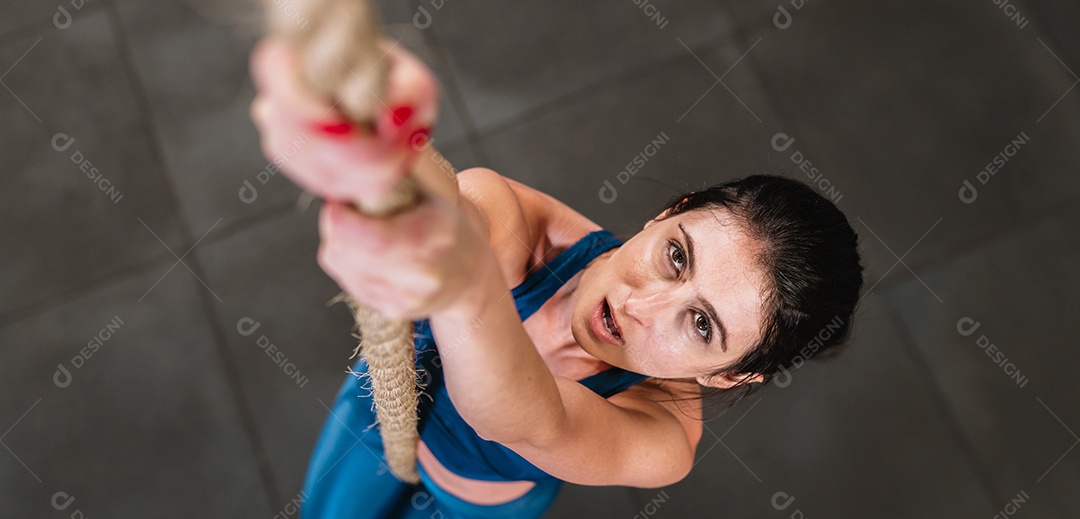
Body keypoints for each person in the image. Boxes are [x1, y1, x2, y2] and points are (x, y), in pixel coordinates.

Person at [249, 38, 865, 519]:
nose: (639, 305)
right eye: (676, 257)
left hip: (469, 507)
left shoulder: (663, 440)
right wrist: (388, 150)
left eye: (701, 324)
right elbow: (458, 211)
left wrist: (457, 278)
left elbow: (524, 419)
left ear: (728, 374)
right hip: (379, 414)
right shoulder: (531, 232)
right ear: (665, 214)